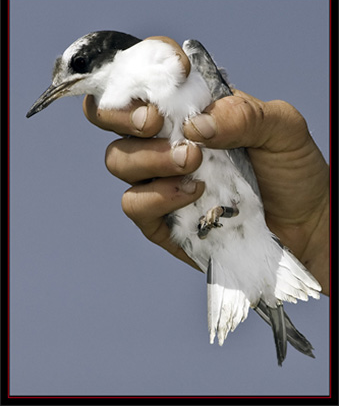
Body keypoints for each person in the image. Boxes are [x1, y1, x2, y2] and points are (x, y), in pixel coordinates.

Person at [82, 38, 329, 296]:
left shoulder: (176, 62)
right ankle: (235, 261)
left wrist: (318, 223)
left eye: (79, 65)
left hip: (252, 213)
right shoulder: (124, 98)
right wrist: (314, 229)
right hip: (231, 231)